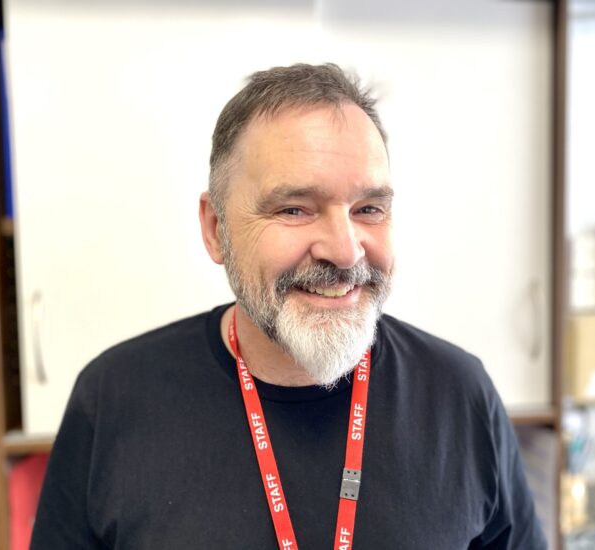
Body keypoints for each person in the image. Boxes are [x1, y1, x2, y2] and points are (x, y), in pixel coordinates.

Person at [31, 63, 547, 549]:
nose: (345, 251)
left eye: (368, 208)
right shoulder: (113, 398)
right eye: (295, 209)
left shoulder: (460, 395)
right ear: (216, 229)